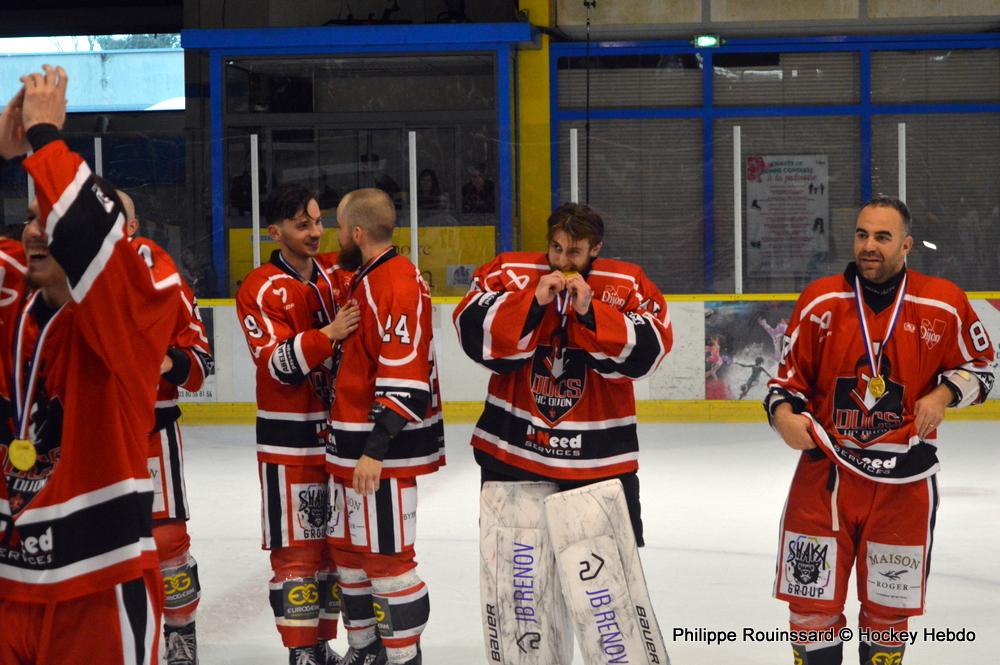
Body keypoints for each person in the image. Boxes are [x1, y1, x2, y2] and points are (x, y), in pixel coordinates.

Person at [765, 195, 996, 665]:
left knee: (888, 613)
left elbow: (984, 368)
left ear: (906, 245)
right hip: (826, 477)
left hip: (903, 484)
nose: (869, 245)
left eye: (882, 237)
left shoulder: (943, 302)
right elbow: (785, 384)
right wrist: (783, 416)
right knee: (810, 607)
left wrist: (943, 394)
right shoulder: (820, 300)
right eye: (862, 234)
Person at [0, 65, 180, 662]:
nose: (35, 231)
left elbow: (91, 235)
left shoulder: (130, 311)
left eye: (48, 217)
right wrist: (5, 155)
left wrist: (46, 140)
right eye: (30, 217)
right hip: (9, 583)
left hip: (97, 582)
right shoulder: (13, 298)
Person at [452, 202, 674, 665]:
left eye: (574, 252)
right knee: (523, 599)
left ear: (596, 249)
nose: (562, 260)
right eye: (556, 248)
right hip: (514, 455)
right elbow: (471, 330)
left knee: (607, 599)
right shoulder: (511, 273)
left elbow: (651, 351)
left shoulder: (628, 283)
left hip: (599, 463)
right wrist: (531, 303)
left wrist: (591, 313)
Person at [236, 183, 360, 665]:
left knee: (332, 552)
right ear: (275, 231)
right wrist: (328, 334)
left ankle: (321, 644)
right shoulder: (259, 288)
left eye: (317, 221)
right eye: (301, 224)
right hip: (289, 444)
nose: (314, 231)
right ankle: (301, 652)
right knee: (296, 553)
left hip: (338, 438)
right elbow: (277, 365)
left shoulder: (332, 274)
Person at [326, 188, 444, 665]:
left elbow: (405, 378)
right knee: (349, 556)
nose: (335, 237)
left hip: (379, 454)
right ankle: (366, 650)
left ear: (356, 233)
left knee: (387, 561)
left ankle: (403, 657)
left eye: (339, 228)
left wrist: (375, 450)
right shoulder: (370, 276)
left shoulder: (394, 281)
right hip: (351, 446)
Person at [121, 189, 216, 665]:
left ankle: (180, 634)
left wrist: (165, 361)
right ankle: (111, 636)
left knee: (167, 540)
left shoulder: (167, 283)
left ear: (133, 226)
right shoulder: (65, 282)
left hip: (153, 432)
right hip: (87, 435)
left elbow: (200, 365)